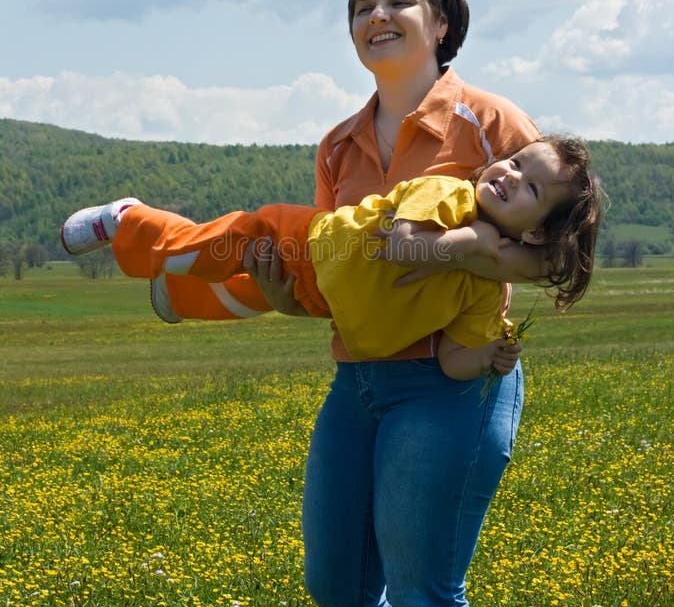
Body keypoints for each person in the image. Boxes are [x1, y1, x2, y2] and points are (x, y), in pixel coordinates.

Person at [63, 0, 562, 607]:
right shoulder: (336, 145)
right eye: (361, 7)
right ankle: (186, 280)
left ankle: (139, 228)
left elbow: (553, 249)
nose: (377, 16)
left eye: (399, 1)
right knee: (340, 587)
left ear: (443, 22)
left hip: (449, 379)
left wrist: (448, 249)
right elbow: (342, 285)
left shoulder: (491, 123)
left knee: (423, 595)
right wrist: (288, 291)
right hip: (359, 377)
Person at [60, 136, 601, 381]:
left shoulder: (484, 291)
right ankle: (130, 220)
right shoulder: (449, 196)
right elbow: (401, 244)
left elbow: (451, 359)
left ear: (537, 234)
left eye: (530, 186)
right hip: (307, 241)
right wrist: (472, 245)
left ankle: (174, 296)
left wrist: (488, 359)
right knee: (206, 252)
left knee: (257, 296)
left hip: (328, 298)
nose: (507, 174)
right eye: (513, 160)